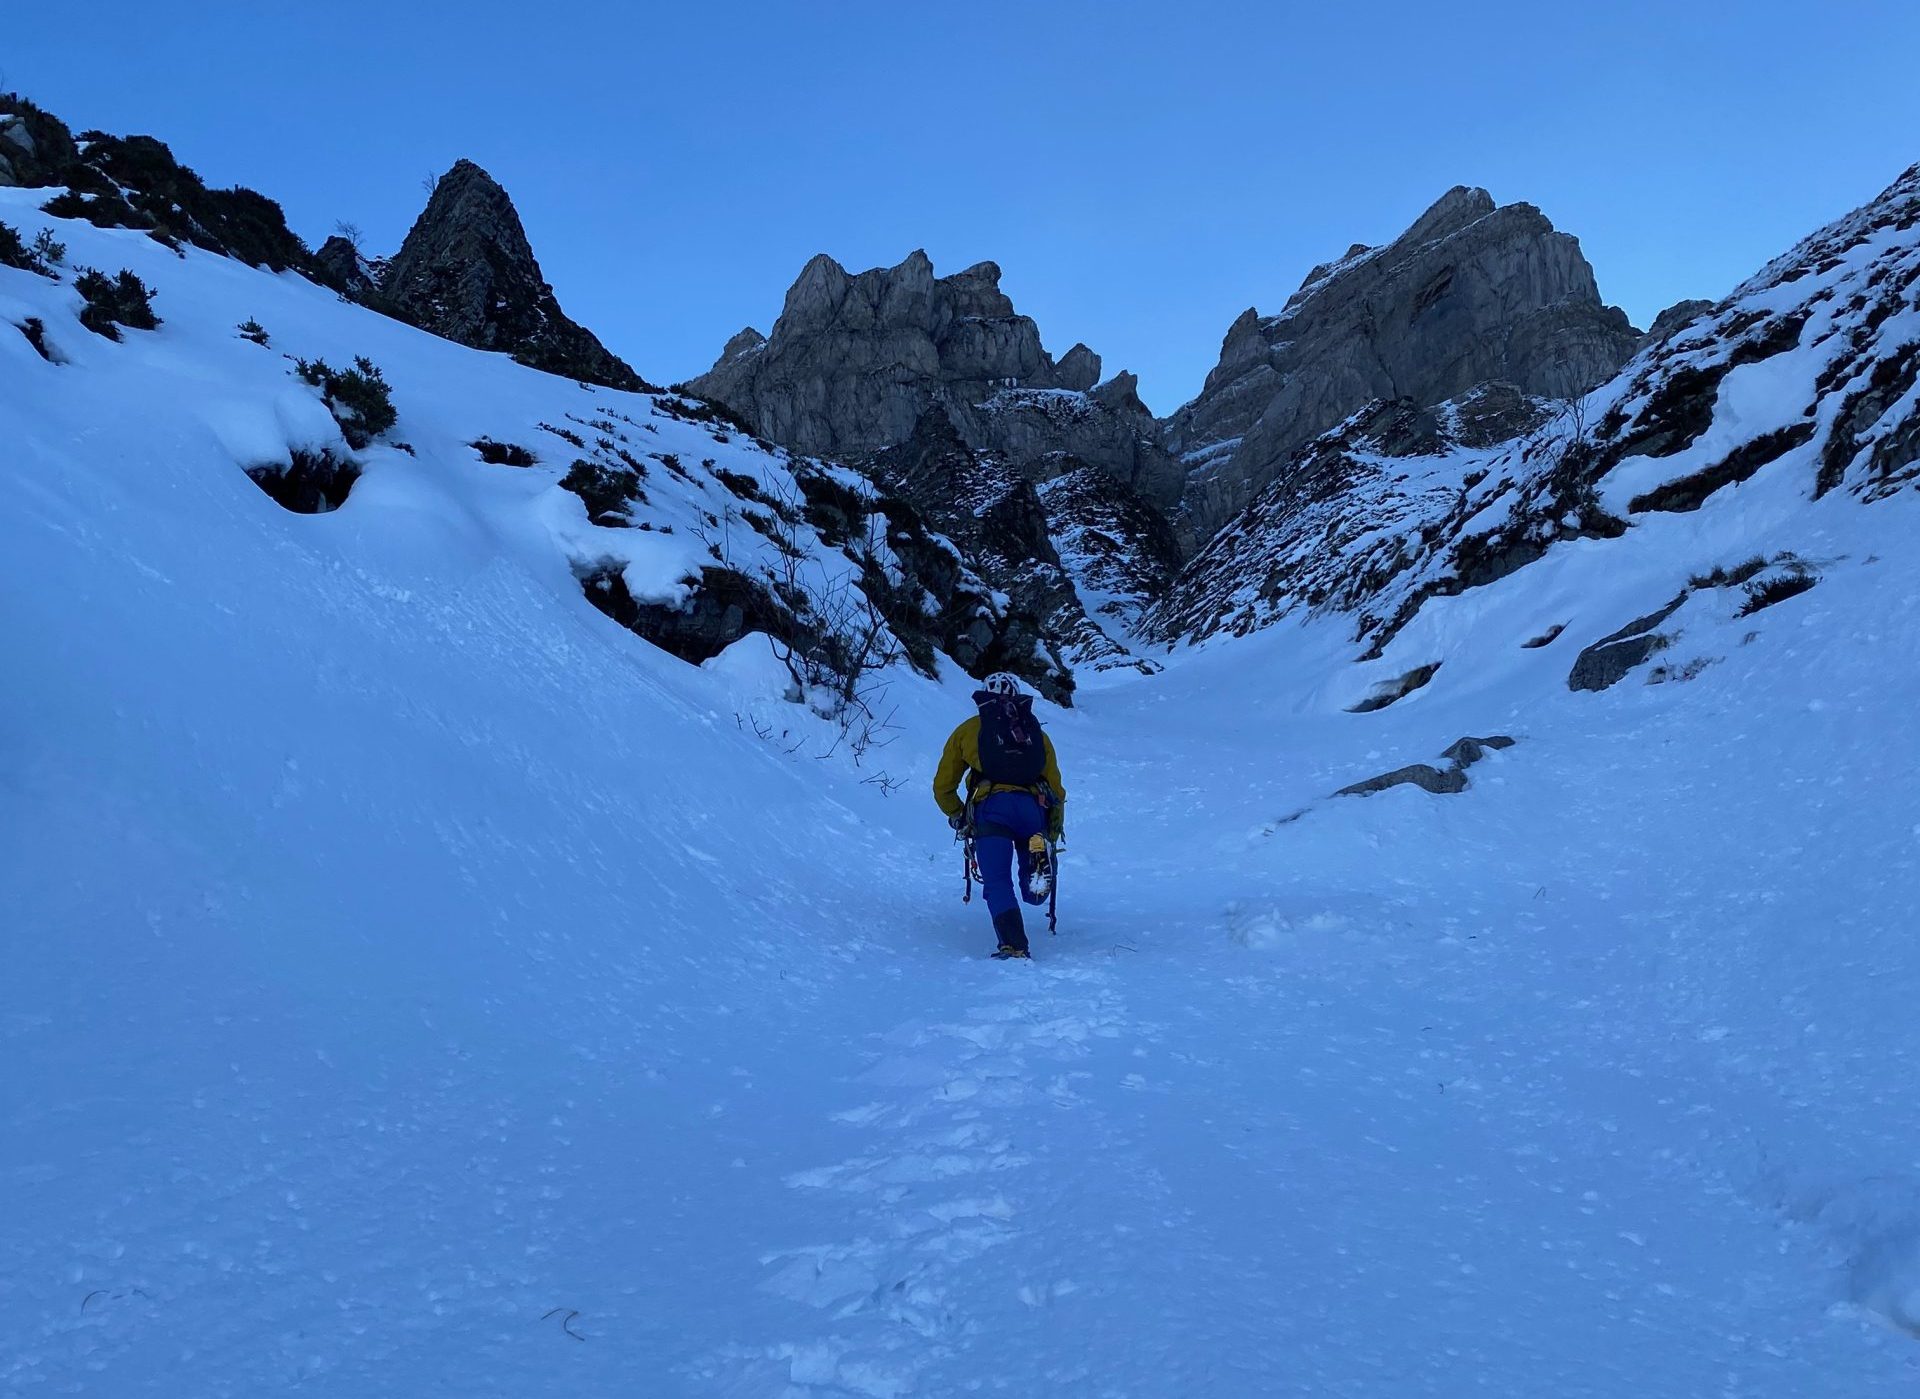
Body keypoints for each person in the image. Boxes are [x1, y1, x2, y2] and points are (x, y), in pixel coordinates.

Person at [932, 673, 1066, 959]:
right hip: (1032, 811)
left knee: (997, 881)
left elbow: (943, 786)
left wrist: (958, 815)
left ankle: (1015, 945)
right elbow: (1056, 789)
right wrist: (1053, 830)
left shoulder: (969, 730)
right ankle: (1038, 867)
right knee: (1032, 879)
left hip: (992, 811)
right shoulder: (1036, 734)